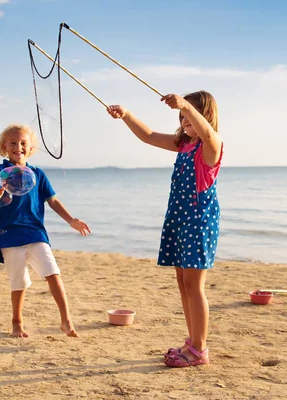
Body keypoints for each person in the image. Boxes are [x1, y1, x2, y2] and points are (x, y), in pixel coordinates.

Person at [107, 91, 222, 367]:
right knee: (183, 283)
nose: (184, 121)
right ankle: (193, 340)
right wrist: (126, 115)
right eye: (181, 117)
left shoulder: (211, 144)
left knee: (195, 285)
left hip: (198, 221)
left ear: (206, 116)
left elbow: (207, 135)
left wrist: (184, 104)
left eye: (189, 115)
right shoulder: (183, 145)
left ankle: (200, 349)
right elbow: (147, 135)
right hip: (179, 219)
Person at [0, 124, 91, 338]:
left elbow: (53, 200)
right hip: (9, 234)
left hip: (35, 232)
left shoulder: (38, 174)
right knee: (19, 282)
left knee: (53, 273)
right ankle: (16, 323)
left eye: (23, 143)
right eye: (13, 143)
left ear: (30, 148)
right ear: (4, 146)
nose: (18, 147)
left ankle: (66, 321)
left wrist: (71, 220)